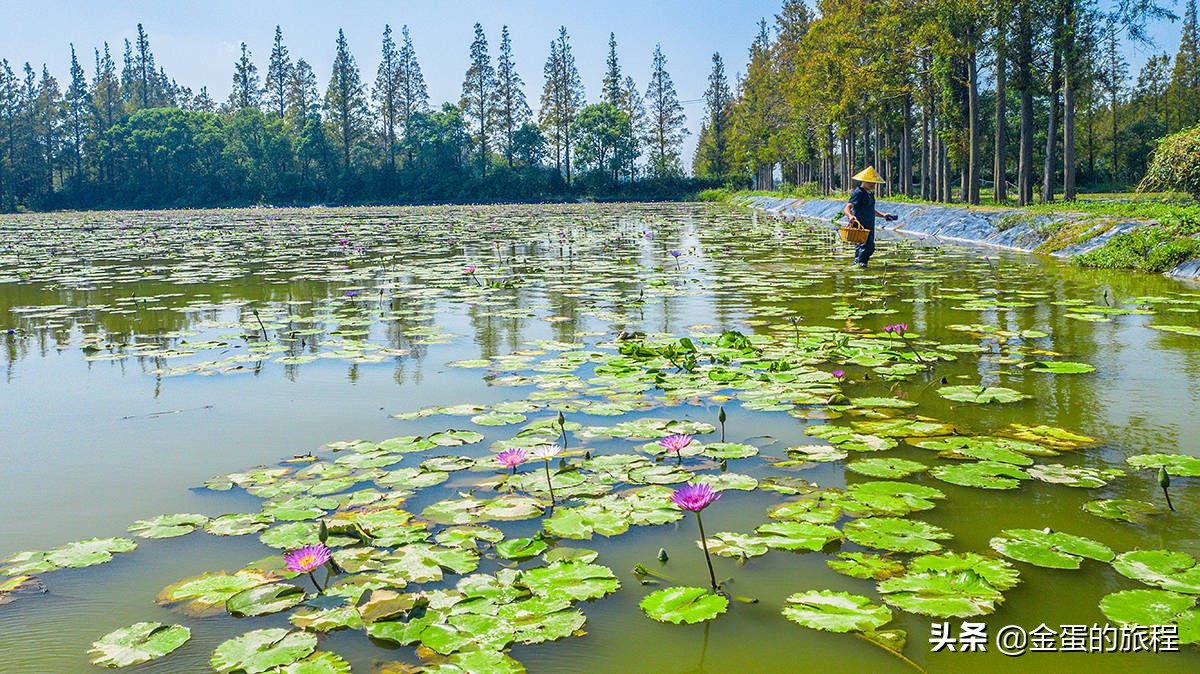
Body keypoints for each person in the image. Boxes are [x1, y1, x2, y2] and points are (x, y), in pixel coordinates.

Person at [844, 166, 896, 268]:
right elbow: (847, 207)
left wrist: (883, 215)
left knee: (869, 246)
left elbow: (871, 209)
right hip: (860, 224)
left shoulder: (870, 194)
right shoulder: (858, 193)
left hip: (869, 224)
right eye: (869, 182)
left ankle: (861, 264)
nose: (872, 185)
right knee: (866, 246)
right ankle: (859, 265)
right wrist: (850, 216)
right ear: (863, 181)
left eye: (873, 182)